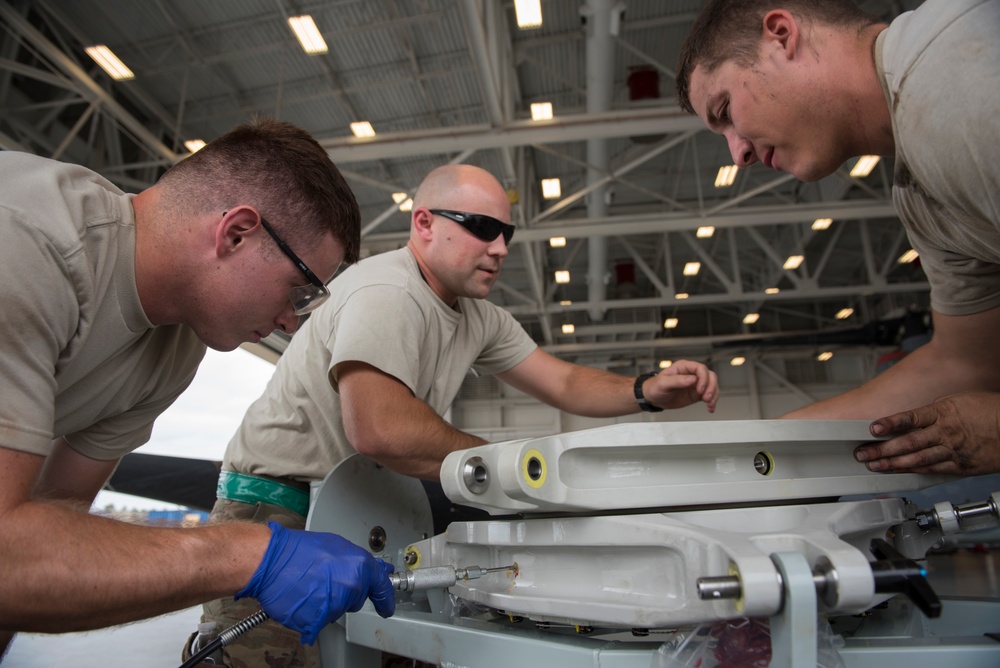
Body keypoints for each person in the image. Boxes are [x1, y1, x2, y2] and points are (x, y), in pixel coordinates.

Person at [196, 163, 720, 665]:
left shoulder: (479, 318)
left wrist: (646, 390)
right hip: (278, 516)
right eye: (482, 228)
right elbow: (382, 431)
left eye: (506, 234)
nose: (500, 248)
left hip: (368, 516)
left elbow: (560, 381)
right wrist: (515, 466)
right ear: (423, 223)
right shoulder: (388, 290)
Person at [0, 118, 396, 660]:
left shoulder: (174, 346)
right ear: (236, 232)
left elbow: (48, 545)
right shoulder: (28, 241)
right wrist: (248, 553)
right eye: (301, 291)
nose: (292, 322)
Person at [675, 0, 1000, 476]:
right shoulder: (923, 197)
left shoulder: (958, 82)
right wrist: (754, 456)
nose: (737, 154)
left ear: (782, 34)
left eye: (725, 110)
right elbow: (967, 364)